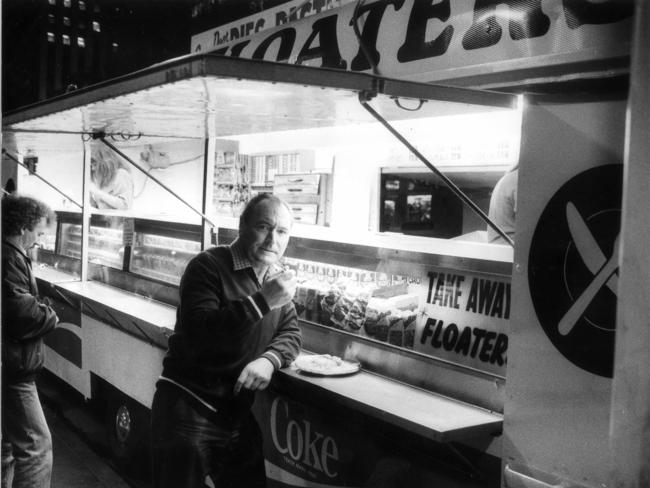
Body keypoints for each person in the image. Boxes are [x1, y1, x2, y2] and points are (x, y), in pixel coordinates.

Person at [151, 193, 302, 488]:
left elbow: (291, 331)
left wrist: (269, 360)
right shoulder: (207, 265)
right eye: (264, 227)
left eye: (282, 231)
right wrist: (263, 301)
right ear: (242, 225)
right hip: (188, 406)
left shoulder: (275, 276)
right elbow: (200, 330)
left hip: (235, 413)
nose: (273, 240)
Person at [2, 195, 59, 488]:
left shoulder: (10, 254)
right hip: (14, 370)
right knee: (37, 448)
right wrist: (50, 313)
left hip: (9, 365)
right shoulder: (9, 257)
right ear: (23, 227)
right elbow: (22, 314)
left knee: (8, 447)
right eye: (38, 232)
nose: (38, 240)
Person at [89, 144, 134, 210]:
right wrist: (90, 199)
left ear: (105, 163)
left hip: (119, 220)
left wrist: (97, 192)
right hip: (105, 219)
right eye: (91, 166)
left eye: (95, 165)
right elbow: (102, 207)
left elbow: (123, 205)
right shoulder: (104, 179)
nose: (93, 169)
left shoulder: (121, 174)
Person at [487, 165, 518, 244]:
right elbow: (529, 227)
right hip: (508, 247)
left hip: (500, 244)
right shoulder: (520, 178)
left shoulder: (512, 175)